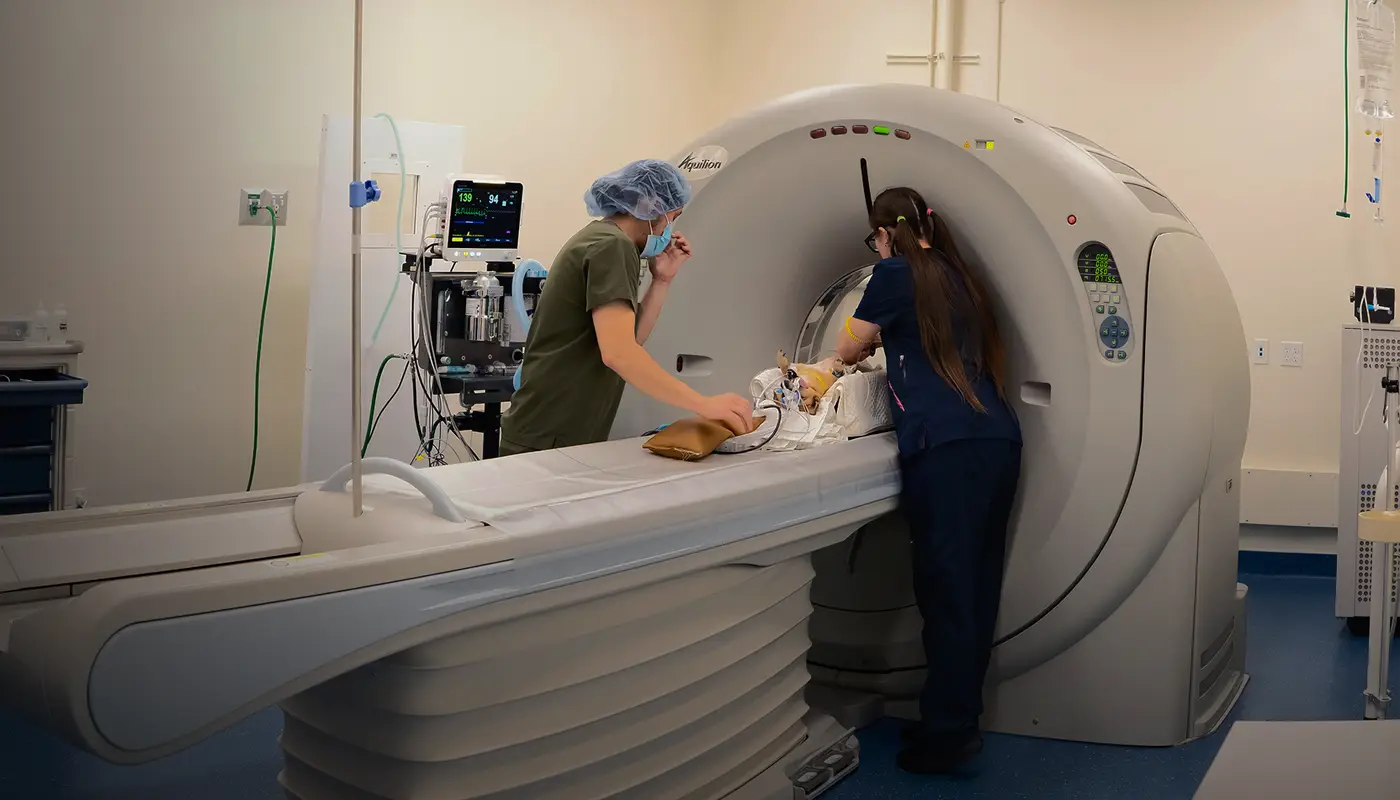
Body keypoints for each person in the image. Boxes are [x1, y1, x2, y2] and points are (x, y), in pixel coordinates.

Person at [836, 187, 1022, 775]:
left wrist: (871, 336)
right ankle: (955, 722)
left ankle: (946, 738)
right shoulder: (962, 275)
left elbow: (846, 347)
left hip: (944, 449)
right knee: (975, 589)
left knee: (945, 595)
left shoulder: (893, 275)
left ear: (885, 233)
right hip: (997, 441)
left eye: (875, 237)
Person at [501, 159, 754, 455]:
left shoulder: (606, 240)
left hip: (555, 430)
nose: (672, 228)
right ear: (651, 206)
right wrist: (704, 404)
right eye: (674, 216)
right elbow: (620, 355)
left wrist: (661, 280)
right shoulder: (612, 246)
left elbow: (629, 341)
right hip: (548, 434)